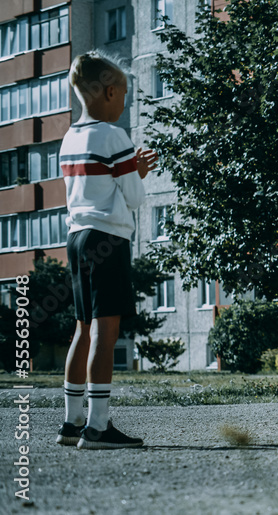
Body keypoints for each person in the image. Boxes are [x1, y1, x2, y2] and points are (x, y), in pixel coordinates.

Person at [57, 52, 159, 449]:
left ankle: (72, 422)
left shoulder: (69, 138)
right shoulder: (114, 136)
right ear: (111, 91)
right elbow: (132, 197)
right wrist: (138, 170)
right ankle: (98, 427)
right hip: (107, 238)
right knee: (106, 328)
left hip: (77, 237)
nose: (125, 103)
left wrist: (129, 170)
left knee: (82, 328)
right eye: (124, 96)